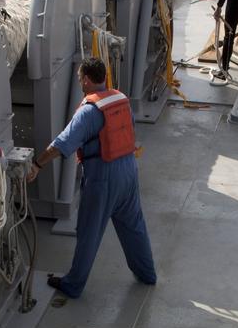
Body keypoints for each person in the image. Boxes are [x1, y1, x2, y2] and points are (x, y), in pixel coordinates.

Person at [28, 57, 156, 299]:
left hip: (103, 177)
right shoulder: (120, 99)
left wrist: (37, 164)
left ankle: (73, 285)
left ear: (86, 79)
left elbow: (61, 144)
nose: (79, 82)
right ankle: (147, 273)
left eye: (79, 78)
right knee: (134, 226)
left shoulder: (88, 112)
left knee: (89, 232)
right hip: (128, 170)